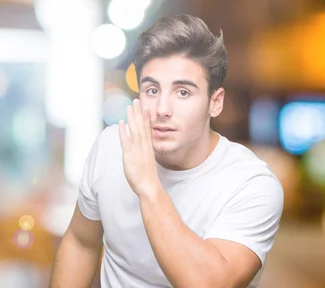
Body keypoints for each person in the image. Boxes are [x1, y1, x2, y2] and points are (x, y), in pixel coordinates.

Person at [50, 14, 283, 288]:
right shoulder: (111, 147)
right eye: (151, 90)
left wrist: (148, 185)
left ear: (215, 102)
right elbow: (81, 242)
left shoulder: (250, 184)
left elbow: (210, 284)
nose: (162, 109)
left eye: (182, 92)